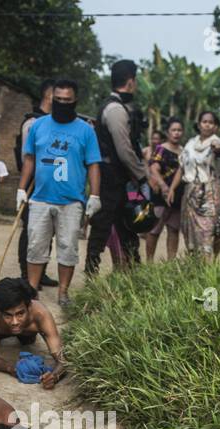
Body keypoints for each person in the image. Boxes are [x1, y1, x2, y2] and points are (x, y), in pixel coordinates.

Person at [17, 78, 101, 309]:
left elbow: (93, 163)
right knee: (35, 246)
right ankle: (32, 291)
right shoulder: (38, 126)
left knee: (68, 248)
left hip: (71, 201)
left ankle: (63, 292)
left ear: (75, 101)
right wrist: (21, 189)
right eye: (59, 99)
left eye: (67, 100)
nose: (62, 103)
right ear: (52, 99)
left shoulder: (86, 130)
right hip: (41, 199)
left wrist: (95, 195)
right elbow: (30, 159)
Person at [84, 59, 148, 276]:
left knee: (127, 227)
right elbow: (124, 151)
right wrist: (142, 177)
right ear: (130, 81)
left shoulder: (115, 107)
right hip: (112, 177)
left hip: (118, 178)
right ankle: (91, 276)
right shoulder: (115, 109)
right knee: (102, 228)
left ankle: (134, 275)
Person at [0, 277, 66, 389]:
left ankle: (23, 333)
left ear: (29, 306)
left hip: (27, 333)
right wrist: (12, 368)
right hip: (1, 330)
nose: (14, 322)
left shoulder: (41, 314)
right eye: (8, 315)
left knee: (28, 341)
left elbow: (63, 360)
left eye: (20, 314)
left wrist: (54, 376)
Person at [15, 81, 59, 289]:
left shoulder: (53, 123)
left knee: (47, 229)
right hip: (33, 184)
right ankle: (26, 273)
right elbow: (28, 157)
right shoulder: (32, 123)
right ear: (49, 96)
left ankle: (40, 272)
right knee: (31, 231)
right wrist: (24, 187)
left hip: (51, 185)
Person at [180, 110, 220, 259]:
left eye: (211, 122)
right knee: (190, 230)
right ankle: (194, 266)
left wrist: (217, 150)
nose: (207, 125)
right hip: (190, 191)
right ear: (199, 124)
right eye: (204, 121)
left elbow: (218, 152)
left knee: (207, 230)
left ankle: (208, 267)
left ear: (215, 126)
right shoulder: (190, 144)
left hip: (209, 191)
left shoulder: (217, 142)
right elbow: (182, 167)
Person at [146, 117, 185, 261]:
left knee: (173, 229)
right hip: (159, 195)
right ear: (168, 132)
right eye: (173, 130)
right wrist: (164, 186)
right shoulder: (161, 149)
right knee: (154, 229)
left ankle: (171, 262)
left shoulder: (184, 151)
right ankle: (149, 262)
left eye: (179, 130)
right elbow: (154, 168)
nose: (177, 133)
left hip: (177, 196)